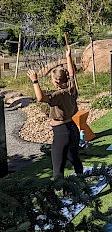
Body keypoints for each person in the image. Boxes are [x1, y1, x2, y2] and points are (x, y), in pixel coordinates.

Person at [28, 42, 83, 179]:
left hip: (61, 133)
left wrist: (35, 81)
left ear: (56, 82)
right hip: (73, 129)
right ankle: (83, 184)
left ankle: (60, 193)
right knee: (75, 159)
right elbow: (72, 74)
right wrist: (68, 56)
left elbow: (40, 98)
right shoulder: (71, 88)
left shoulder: (59, 95)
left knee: (58, 168)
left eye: (52, 79)